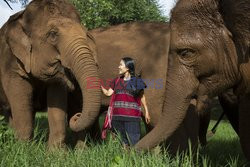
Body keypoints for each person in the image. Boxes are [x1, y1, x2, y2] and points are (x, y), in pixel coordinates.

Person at [101, 57, 150, 146]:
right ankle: (125, 159)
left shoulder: (137, 81)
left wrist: (146, 112)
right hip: (117, 118)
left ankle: (135, 159)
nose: (119, 67)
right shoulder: (116, 81)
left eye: (121, 65)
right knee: (122, 143)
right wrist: (100, 86)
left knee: (134, 143)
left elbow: (142, 96)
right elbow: (108, 93)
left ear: (127, 68)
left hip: (132, 118)